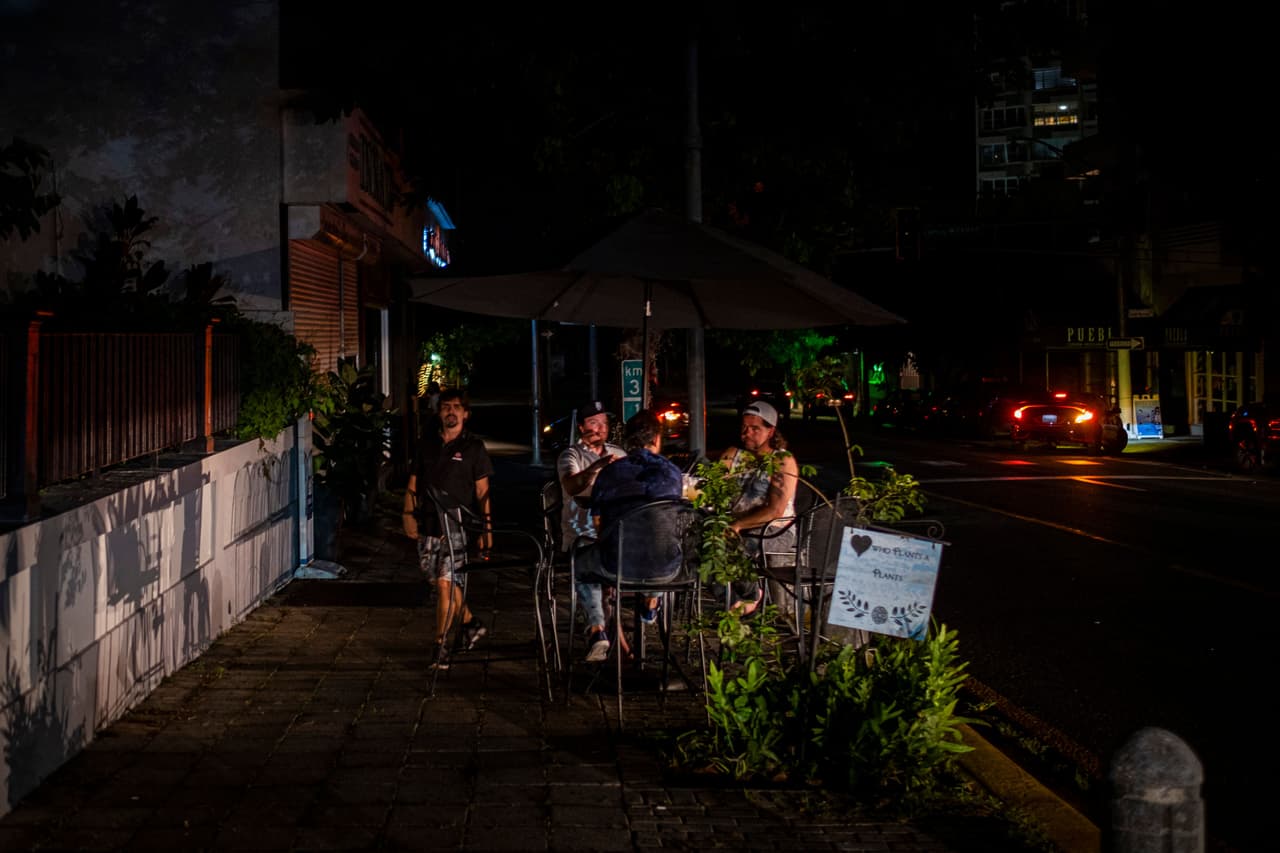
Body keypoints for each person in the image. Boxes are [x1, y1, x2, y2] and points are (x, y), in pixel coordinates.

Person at [573, 409, 683, 663]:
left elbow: (598, 522)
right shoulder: (672, 473)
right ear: (656, 439)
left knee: (580, 561)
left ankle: (597, 628)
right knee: (664, 547)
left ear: (626, 442)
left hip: (617, 565)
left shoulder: (610, 473)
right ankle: (651, 601)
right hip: (665, 570)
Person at [403, 389, 494, 671]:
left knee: (445, 584)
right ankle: (469, 622)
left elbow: (483, 492)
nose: (451, 412)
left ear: (466, 414)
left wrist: (487, 529)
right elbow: (414, 482)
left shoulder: (474, 448)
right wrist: (407, 514)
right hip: (429, 524)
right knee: (438, 580)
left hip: (458, 527)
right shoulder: (426, 444)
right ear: (439, 412)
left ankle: (440, 646)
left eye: (456, 407)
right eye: (445, 407)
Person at [719, 399, 799, 616]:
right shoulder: (732, 455)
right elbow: (714, 492)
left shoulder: (781, 460)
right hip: (735, 523)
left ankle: (749, 596)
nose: (747, 433)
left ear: (770, 431)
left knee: (729, 545)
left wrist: (737, 524)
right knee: (699, 544)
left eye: (755, 428)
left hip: (774, 528)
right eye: (744, 427)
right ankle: (738, 601)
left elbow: (775, 510)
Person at [557, 400, 626, 552]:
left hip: (616, 531)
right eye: (594, 423)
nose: (601, 428)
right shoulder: (571, 455)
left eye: (605, 423)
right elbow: (571, 486)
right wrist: (598, 466)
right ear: (581, 428)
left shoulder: (619, 453)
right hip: (584, 535)